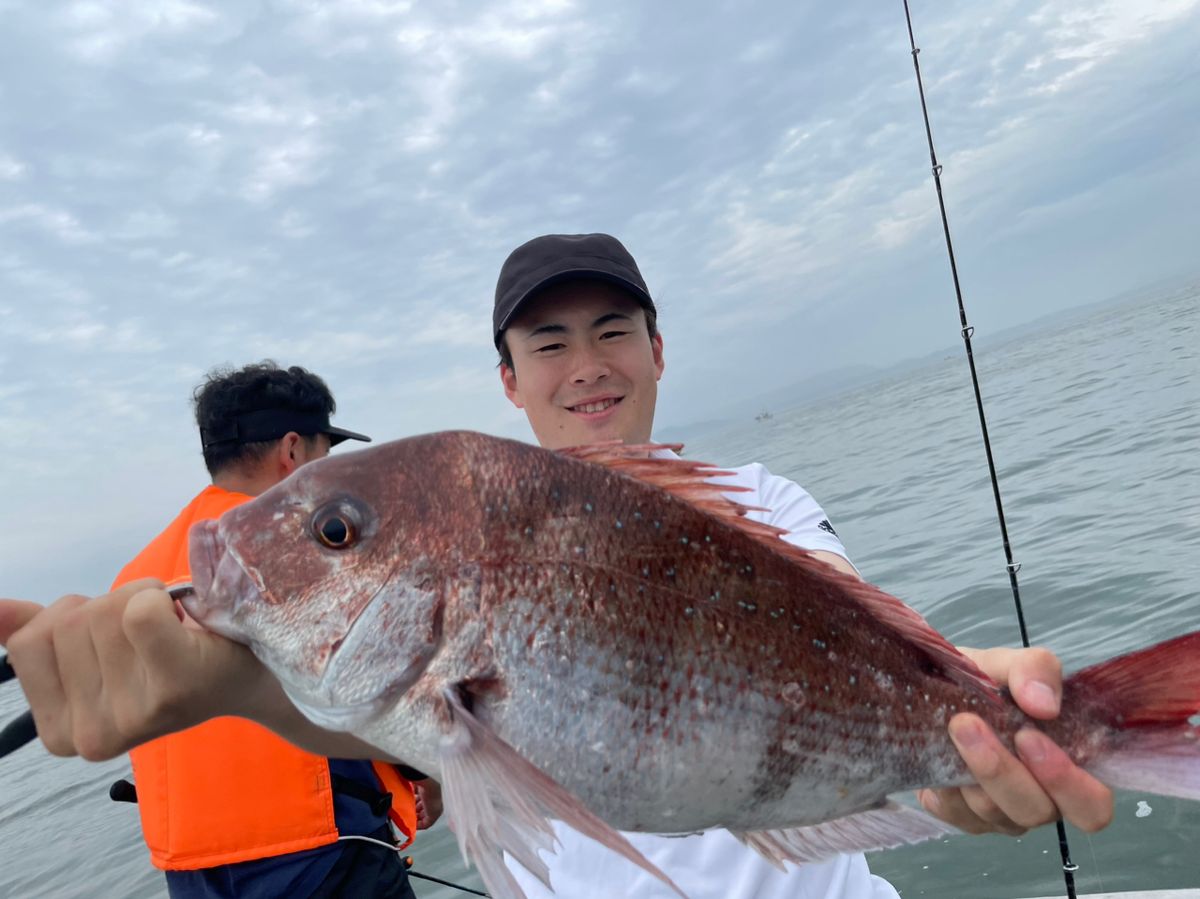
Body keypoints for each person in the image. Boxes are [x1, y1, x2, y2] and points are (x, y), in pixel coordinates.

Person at [491, 232, 1115, 897]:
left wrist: (954, 707)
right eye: (551, 344)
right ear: (511, 381)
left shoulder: (760, 500)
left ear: (658, 351)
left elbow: (836, 607)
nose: (586, 366)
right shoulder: (479, 556)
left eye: (612, 332)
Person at [108, 361, 437, 899]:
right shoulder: (305, 551)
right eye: (325, 453)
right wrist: (427, 777)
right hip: (322, 847)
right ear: (292, 451)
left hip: (192, 868)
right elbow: (368, 683)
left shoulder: (134, 578)